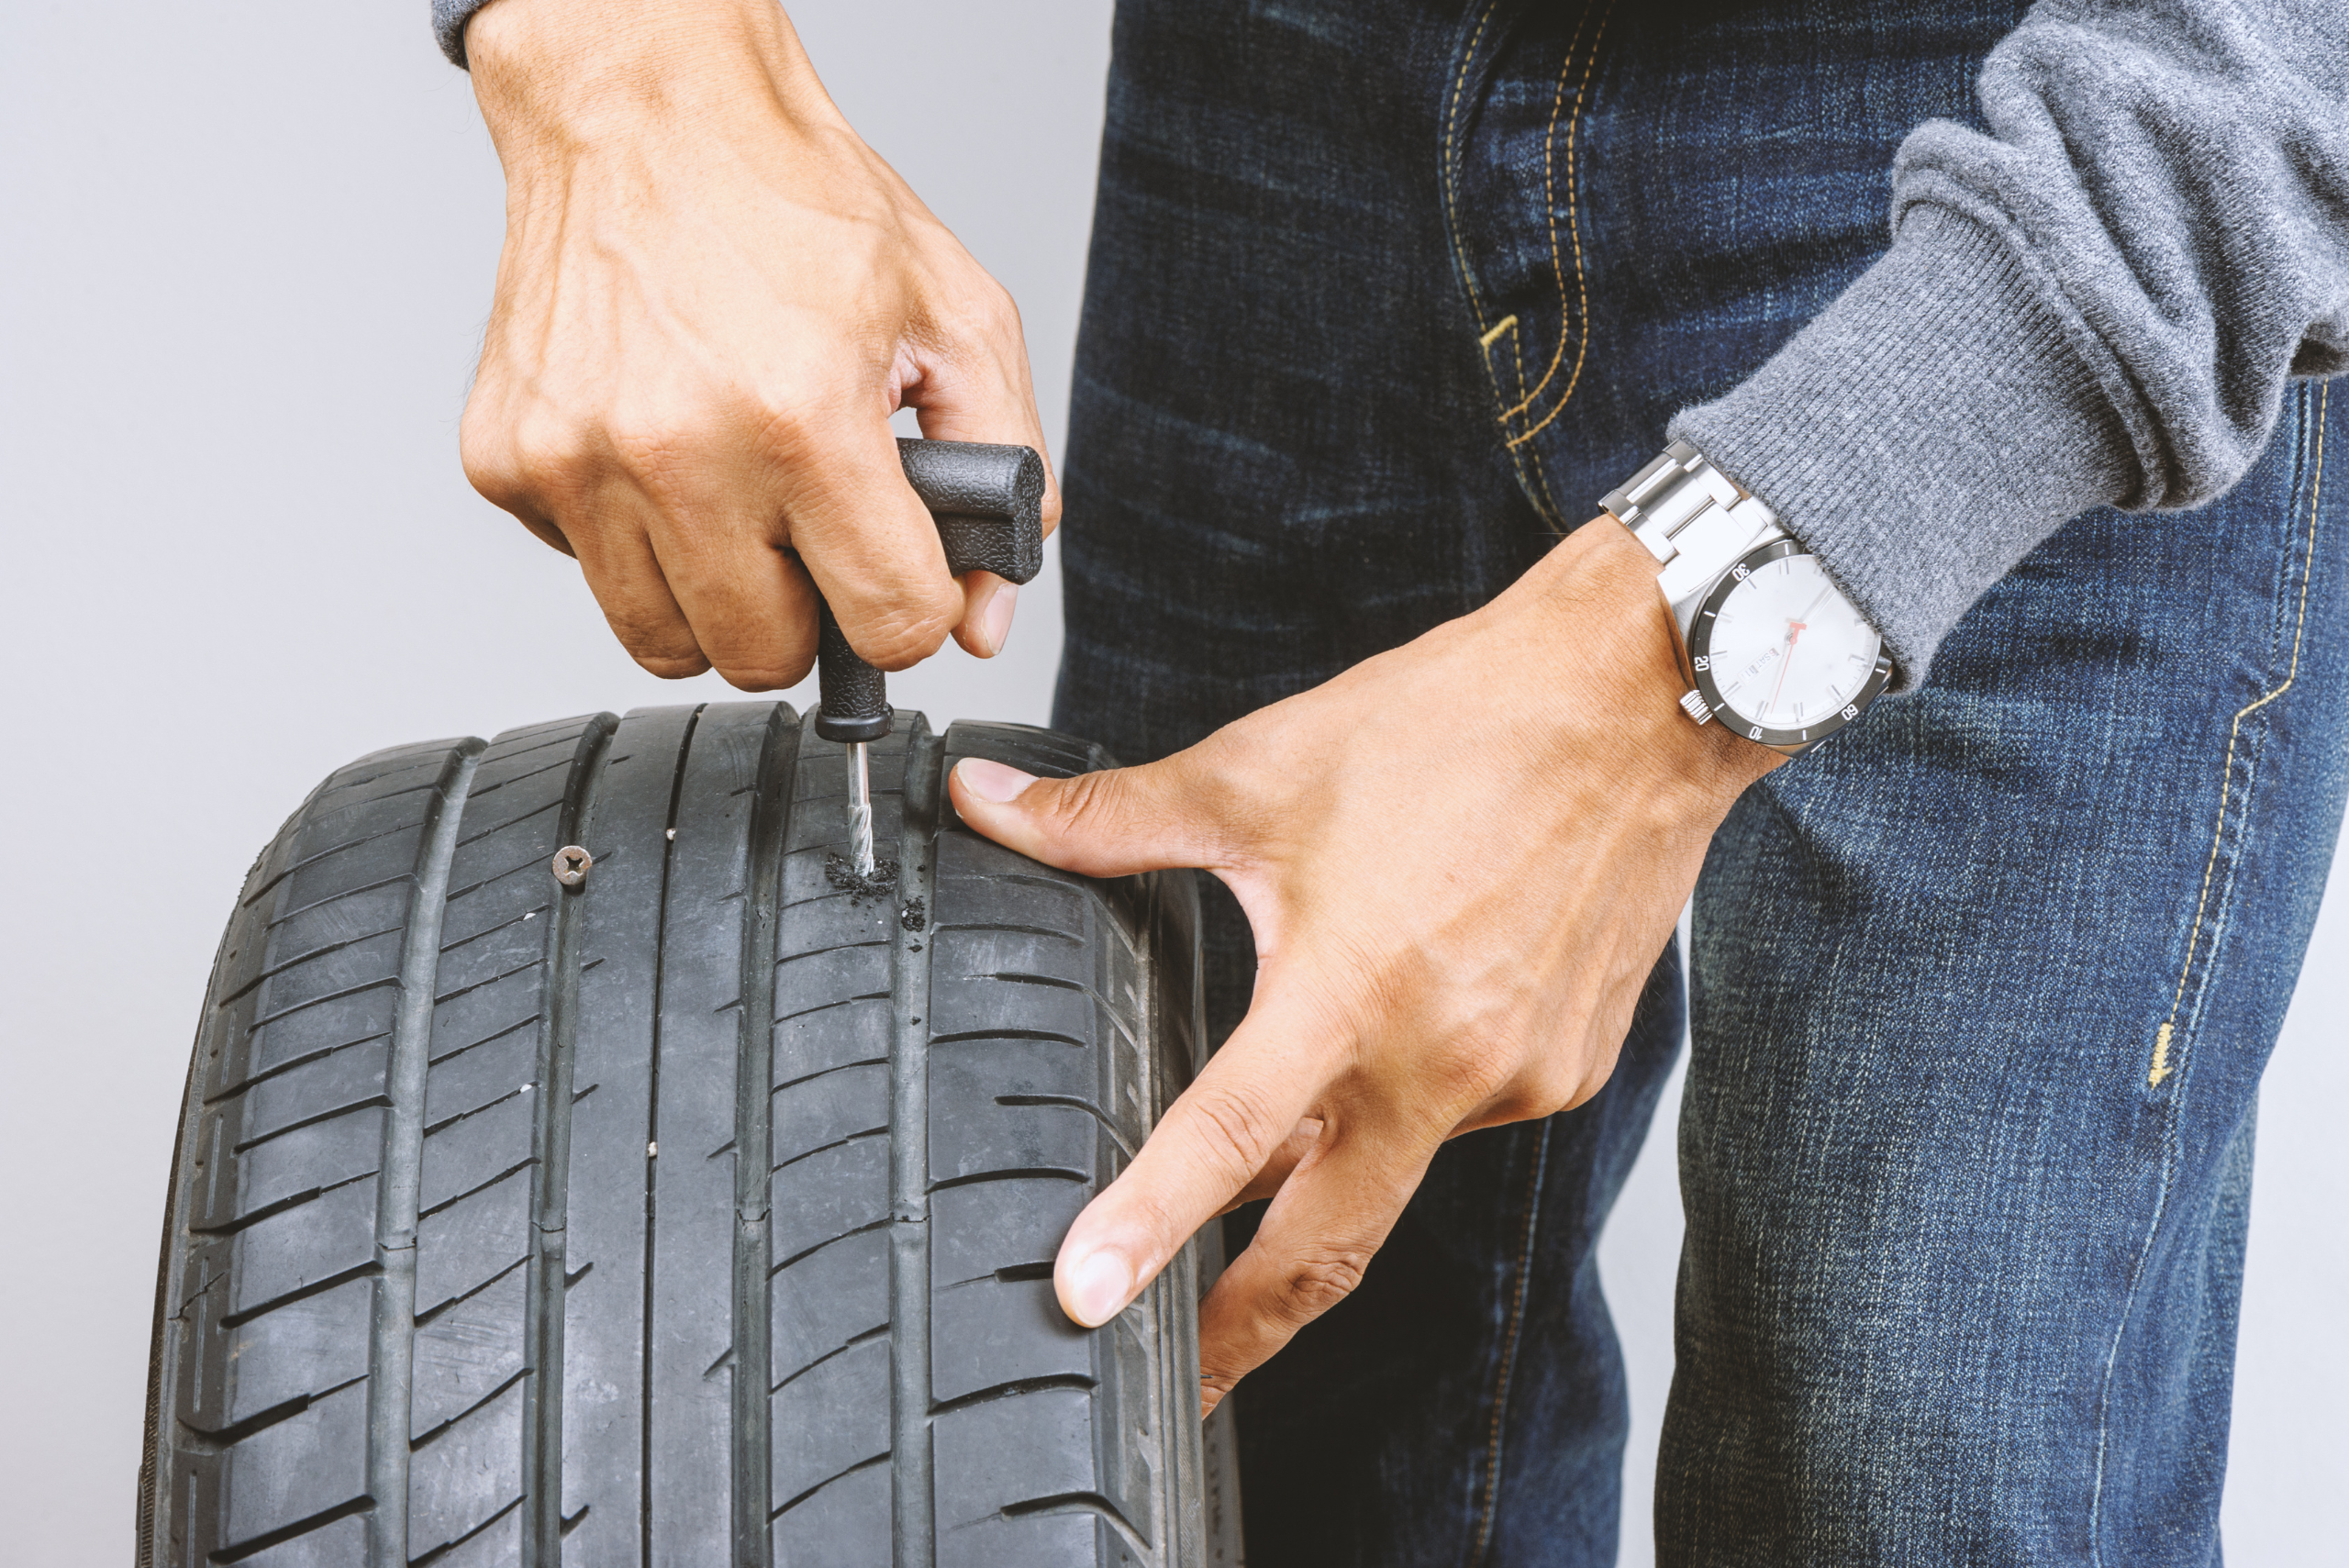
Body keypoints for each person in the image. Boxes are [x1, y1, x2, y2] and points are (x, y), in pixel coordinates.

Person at [431, 0, 2349, 1561]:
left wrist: (1716, 620)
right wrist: (615, 58)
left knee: (1901, 1484)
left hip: (2056, 109)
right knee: (1253, 1395)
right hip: (1276, 87)